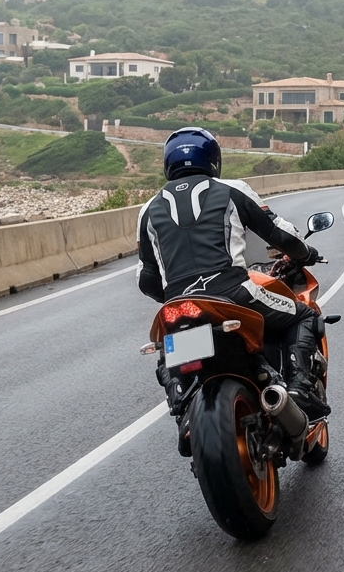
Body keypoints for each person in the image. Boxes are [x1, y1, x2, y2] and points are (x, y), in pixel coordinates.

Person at [136, 127, 330, 440]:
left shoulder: (148, 210)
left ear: (167, 163)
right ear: (214, 160)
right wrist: (305, 252)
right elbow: (278, 234)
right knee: (304, 315)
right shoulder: (231, 189)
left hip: (178, 303)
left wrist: (177, 297)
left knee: (166, 345)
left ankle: (182, 408)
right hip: (234, 292)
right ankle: (300, 388)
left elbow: (147, 279)